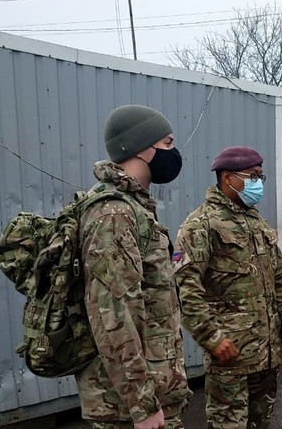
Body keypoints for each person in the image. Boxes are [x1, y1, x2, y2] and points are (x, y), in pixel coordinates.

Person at [77, 104, 192, 429]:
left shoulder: (133, 208)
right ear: (142, 147)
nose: (174, 152)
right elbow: (112, 314)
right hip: (127, 409)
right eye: (168, 143)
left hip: (152, 394)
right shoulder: (113, 215)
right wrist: (141, 405)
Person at [174, 146, 282, 429]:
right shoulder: (201, 224)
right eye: (252, 176)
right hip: (230, 356)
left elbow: (279, 277)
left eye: (261, 177)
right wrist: (212, 338)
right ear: (227, 178)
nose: (258, 183)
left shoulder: (257, 222)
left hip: (267, 352)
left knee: (260, 422)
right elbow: (185, 288)